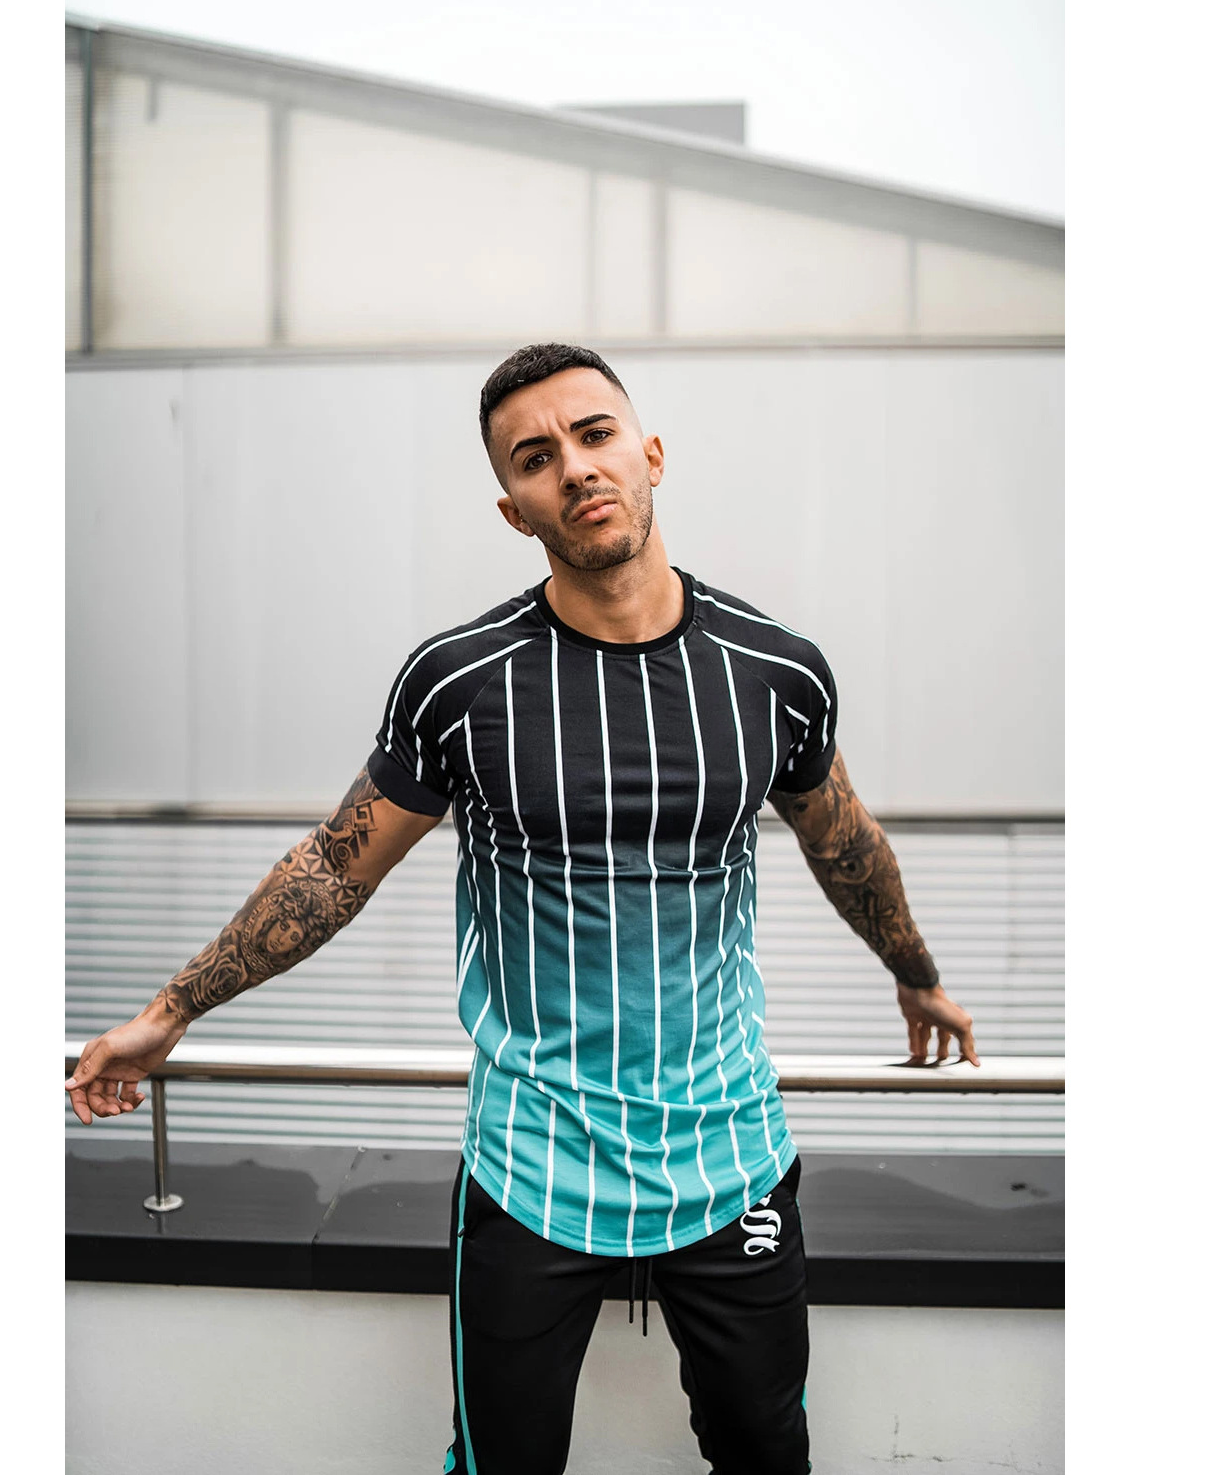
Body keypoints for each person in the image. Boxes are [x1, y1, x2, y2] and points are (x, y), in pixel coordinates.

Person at [66, 343, 979, 1475]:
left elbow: (844, 840)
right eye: (536, 457)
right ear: (514, 508)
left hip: (730, 1160)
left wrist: (916, 975)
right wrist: (172, 1009)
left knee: (764, 1455)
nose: (576, 468)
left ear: (650, 454)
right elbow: (334, 870)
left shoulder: (773, 670)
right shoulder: (460, 681)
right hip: (530, 1170)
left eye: (595, 436)